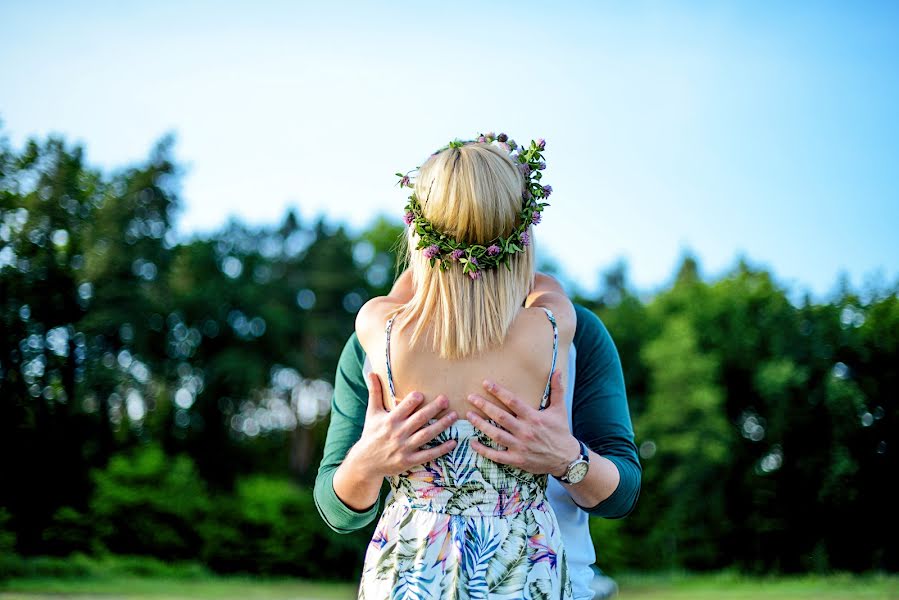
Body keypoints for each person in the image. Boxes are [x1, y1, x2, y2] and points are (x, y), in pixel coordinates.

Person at [314, 133, 642, 599]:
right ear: (524, 234)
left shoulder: (382, 337)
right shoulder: (554, 331)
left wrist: (569, 458)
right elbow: (337, 504)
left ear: (416, 231)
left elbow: (621, 491)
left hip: (413, 570)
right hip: (525, 568)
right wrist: (366, 462)